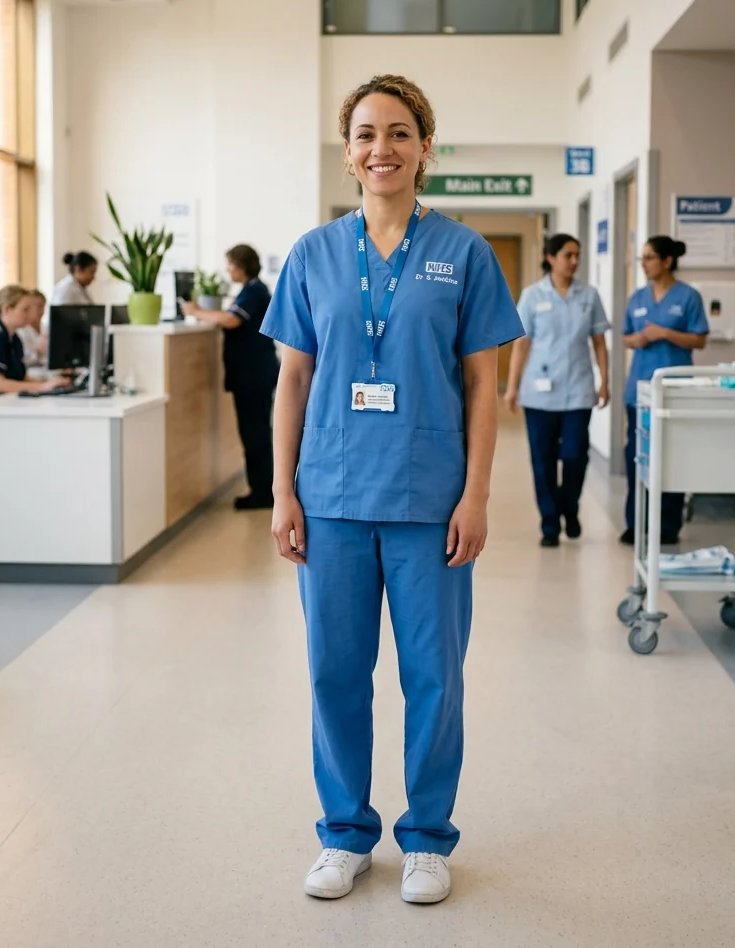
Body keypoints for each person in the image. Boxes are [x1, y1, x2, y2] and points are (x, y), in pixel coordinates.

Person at [261, 75, 523, 906]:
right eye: (368, 133)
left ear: (425, 149)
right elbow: (292, 381)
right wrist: (282, 490)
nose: (384, 148)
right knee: (335, 671)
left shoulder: (465, 254)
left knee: (433, 677)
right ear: (349, 152)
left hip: (428, 500)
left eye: (401, 132)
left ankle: (427, 839)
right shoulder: (313, 254)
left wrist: (476, 494)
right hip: (332, 495)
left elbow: (484, 386)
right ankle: (344, 834)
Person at [505, 233, 610, 547]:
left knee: (575, 455)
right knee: (543, 460)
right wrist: (512, 387)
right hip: (539, 393)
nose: (574, 261)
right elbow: (521, 344)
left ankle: (570, 507)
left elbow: (600, 343)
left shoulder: (588, 296)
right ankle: (550, 524)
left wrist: (605, 380)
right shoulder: (533, 296)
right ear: (550, 258)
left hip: (578, 390)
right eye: (568, 255)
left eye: (577, 255)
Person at [619, 235, 709, 546]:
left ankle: (668, 526)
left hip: (675, 390)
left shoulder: (688, 297)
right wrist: (639, 339)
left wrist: (665, 333)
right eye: (642, 258)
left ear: (667, 261)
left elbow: (699, 339)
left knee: (673, 457)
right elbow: (625, 337)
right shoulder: (638, 297)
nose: (643, 264)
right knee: (636, 455)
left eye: (649, 258)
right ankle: (635, 523)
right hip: (639, 391)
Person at [181, 244, 280, 510]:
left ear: (242, 265)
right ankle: (262, 488)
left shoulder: (255, 291)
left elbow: (231, 320)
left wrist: (195, 312)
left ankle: (262, 492)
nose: (228, 269)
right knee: (255, 432)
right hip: (252, 373)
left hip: (254, 375)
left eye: (231, 264)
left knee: (255, 433)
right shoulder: (251, 290)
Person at [0, 286, 70, 400]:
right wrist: (42, 386)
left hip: (2, 401)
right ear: (7, 309)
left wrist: (51, 384)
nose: (30, 314)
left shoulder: (14, 338)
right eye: (25, 310)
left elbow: (21, 377)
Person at [18, 289, 48, 367]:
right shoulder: (21, 330)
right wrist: (38, 351)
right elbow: (24, 359)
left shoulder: (46, 328)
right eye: (37, 306)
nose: (41, 311)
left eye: (42, 306)